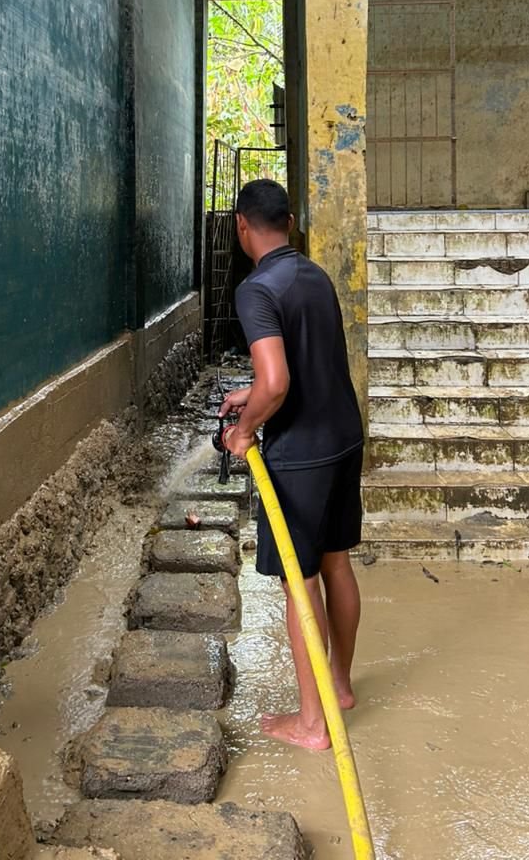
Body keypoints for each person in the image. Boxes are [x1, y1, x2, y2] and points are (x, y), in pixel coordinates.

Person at [219, 178, 364, 751]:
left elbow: (277, 382)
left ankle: (311, 724)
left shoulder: (256, 289)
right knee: (337, 565)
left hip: (301, 457)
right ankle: (339, 688)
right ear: (290, 222)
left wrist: (244, 430)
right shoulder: (314, 274)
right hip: (343, 438)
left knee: (299, 587)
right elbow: (301, 365)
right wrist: (250, 393)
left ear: (242, 226)